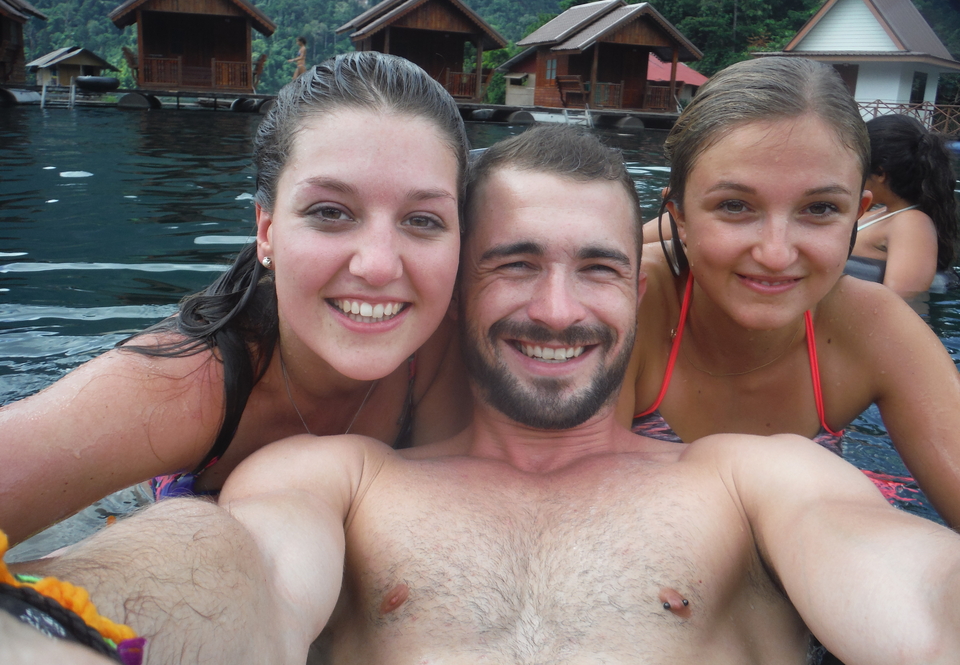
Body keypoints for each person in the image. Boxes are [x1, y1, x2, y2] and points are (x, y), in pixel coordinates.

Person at [5, 125, 960, 665]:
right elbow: (233, 560)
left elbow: (916, 590)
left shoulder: (756, 481)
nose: (557, 310)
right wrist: (61, 630)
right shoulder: (341, 477)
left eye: (597, 269)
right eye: (515, 264)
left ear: (638, 289)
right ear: (456, 287)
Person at [0, 52, 471, 547]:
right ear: (266, 231)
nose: (378, 266)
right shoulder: (185, 385)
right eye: (330, 212)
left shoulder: (441, 354)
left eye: (423, 220)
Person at [631, 57, 960, 528]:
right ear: (679, 217)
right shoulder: (627, 306)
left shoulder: (874, 326)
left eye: (820, 208)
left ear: (858, 214)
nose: (776, 254)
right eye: (734, 205)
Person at [848, 113, 958, 297]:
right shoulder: (881, 213)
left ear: (880, 174)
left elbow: (902, 301)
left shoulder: (912, 223)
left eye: (858, 166)